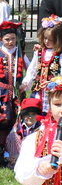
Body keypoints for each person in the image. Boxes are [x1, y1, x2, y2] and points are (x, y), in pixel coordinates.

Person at [21, 15, 62, 114]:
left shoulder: (61, 55)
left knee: (51, 113)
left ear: (58, 40)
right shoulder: (39, 52)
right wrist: (26, 82)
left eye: (50, 39)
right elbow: (32, 69)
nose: (46, 41)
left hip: (52, 92)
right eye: (45, 38)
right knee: (36, 112)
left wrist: (55, 82)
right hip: (38, 91)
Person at [0, 21, 30, 150]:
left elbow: (30, 68)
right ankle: (2, 146)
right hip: (2, 93)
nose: (10, 42)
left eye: (13, 38)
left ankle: (14, 146)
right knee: (3, 118)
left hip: (17, 93)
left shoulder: (19, 53)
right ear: (1, 39)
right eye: (7, 39)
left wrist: (26, 83)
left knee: (17, 118)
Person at [4, 98, 42, 168]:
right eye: (27, 114)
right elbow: (8, 143)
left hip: (32, 156)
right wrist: (7, 157)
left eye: (33, 114)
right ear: (23, 115)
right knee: (13, 136)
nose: (30, 117)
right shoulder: (17, 126)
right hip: (16, 153)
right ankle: (13, 161)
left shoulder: (41, 128)